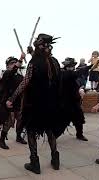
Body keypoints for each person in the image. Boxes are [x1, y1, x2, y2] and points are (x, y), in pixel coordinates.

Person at [6, 34, 65, 174]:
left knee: (31, 131)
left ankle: (35, 163)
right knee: (50, 130)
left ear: (38, 47)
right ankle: (55, 159)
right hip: (51, 104)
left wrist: (12, 98)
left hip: (34, 104)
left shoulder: (34, 62)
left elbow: (25, 81)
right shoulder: (54, 61)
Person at [0, 55, 27, 150]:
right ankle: (1, 140)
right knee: (8, 122)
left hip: (18, 102)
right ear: (7, 66)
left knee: (21, 119)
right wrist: (21, 59)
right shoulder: (6, 74)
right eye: (11, 63)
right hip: (7, 101)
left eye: (15, 63)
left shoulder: (20, 76)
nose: (14, 65)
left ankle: (18, 136)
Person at [61, 57, 88, 141]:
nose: (72, 67)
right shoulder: (63, 73)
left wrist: (81, 88)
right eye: (70, 66)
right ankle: (53, 135)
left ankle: (79, 134)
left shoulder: (73, 74)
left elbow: (78, 82)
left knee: (79, 118)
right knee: (61, 120)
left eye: (72, 66)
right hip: (64, 101)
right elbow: (76, 74)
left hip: (75, 101)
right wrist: (90, 66)